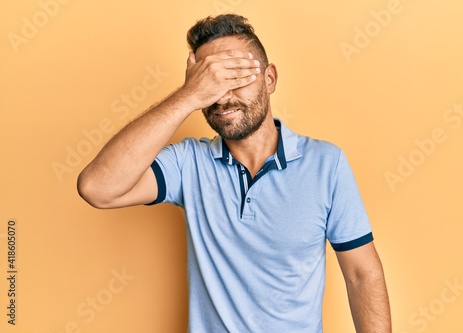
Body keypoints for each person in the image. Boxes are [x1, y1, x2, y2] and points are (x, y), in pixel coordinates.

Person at [77, 14, 391, 333]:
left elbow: (362, 275)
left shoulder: (326, 164)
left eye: (236, 77)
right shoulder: (189, 163)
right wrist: (187, 96)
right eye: (212, 82)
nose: (224, 97)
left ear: (269, 79)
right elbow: (98, 188)